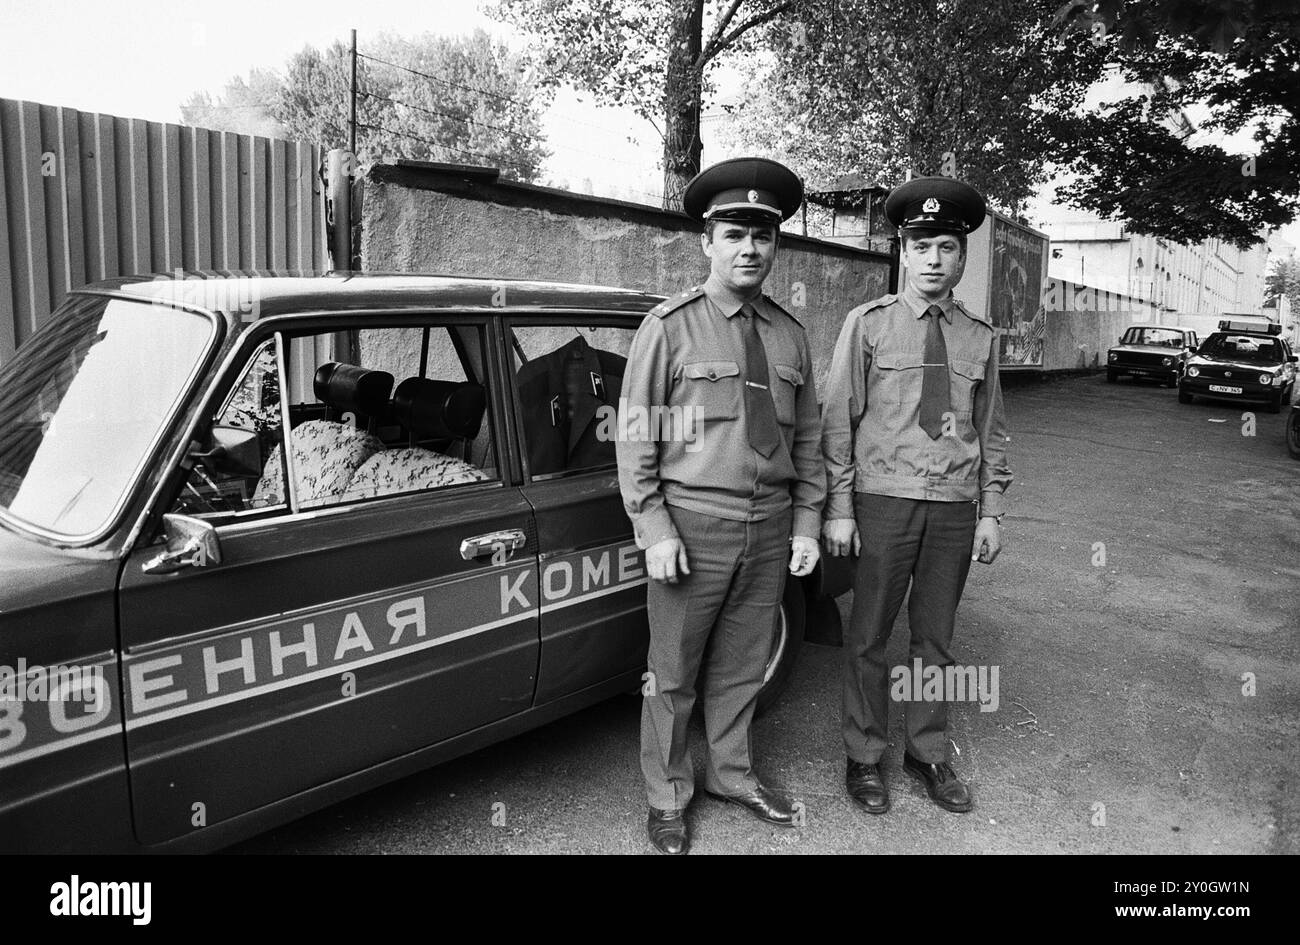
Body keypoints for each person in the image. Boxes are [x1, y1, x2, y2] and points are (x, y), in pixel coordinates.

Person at [616, 157, 825, 855]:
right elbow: (637, 433)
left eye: (763, 237)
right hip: (692, 526)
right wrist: (654, 527)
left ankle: (732, 774)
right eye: (735, 233)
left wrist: (805, 522)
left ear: (775, 246)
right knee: (672, 672)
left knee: (741, 664)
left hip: (768, 528)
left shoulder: (790, 335)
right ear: (707, 240)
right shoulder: (670, 327)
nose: (749, 249)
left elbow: (813, 437)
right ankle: (668, 796)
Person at [820, 176, 1013, 816]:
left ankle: (927, 751)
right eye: (922, 244)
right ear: (904, 252)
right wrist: (840, 509)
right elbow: (836, 422)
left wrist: (991, 512)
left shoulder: (980, 336)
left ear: (963, 257)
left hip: (955, 507)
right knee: (869, 633)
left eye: (947, 247)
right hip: (883, 502)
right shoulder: (867, 325)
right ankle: (865, 755)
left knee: (936, 638)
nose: (934, 259)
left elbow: (992, 432)